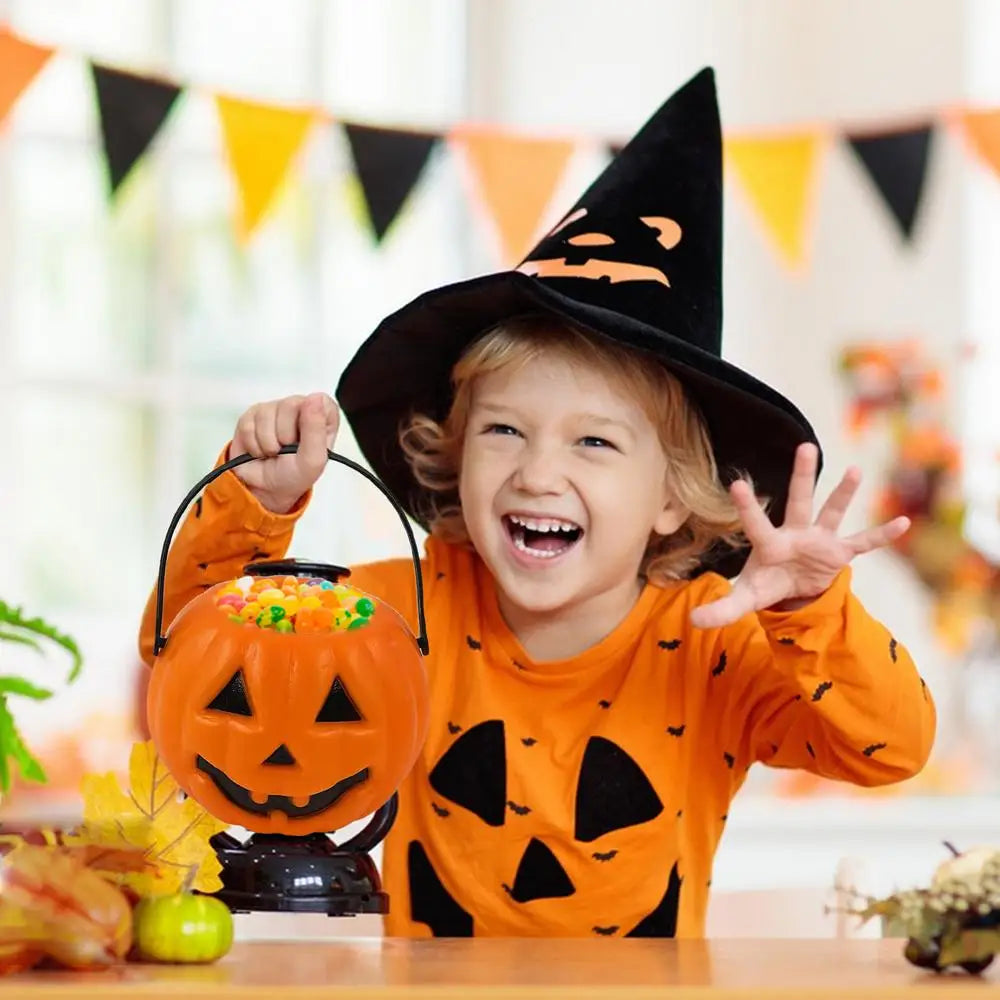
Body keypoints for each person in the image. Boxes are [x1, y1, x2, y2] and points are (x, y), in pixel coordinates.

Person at [138, 68, 935, 938]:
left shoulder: (712, 644)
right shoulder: (396, 612)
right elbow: (188, 651)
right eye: (504, 432)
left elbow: (890, 748)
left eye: (593, 442)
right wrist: (255, 505)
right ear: (453, 454)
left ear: (674, 499)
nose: (538, 475)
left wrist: (814, 612)